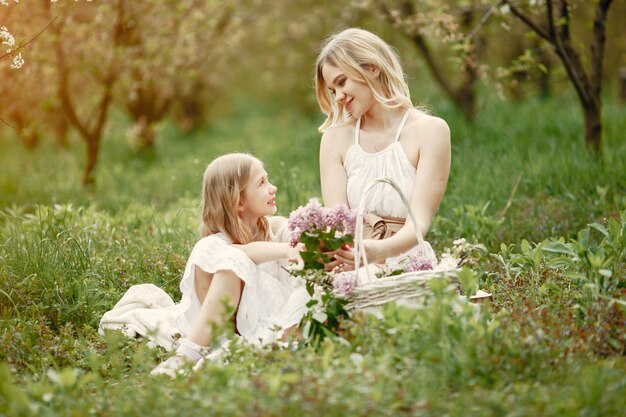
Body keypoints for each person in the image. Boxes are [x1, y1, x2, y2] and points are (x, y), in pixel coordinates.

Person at [151, 153, 309, 376]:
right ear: (238, 201)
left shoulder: (275, 229)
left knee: (233, 257)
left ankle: (199, 351)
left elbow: (292, 234)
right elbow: (241, 252)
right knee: (215, 252)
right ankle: (194, 349)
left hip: (273, 318)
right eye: (261, 183)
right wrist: (286, 250)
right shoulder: (217, 244)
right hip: (226, 328)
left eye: (268, 179)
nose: (272, 188)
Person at [314, 28, 451, 270]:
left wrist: (379, 252)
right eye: (332, 90)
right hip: (351, 262)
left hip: (406, 259)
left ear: (372, 67)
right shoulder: (335, 138)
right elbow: (338, 223)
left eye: (342, 82)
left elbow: (418, 222)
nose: (338, 97)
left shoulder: (431, 131)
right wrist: (347, 257)